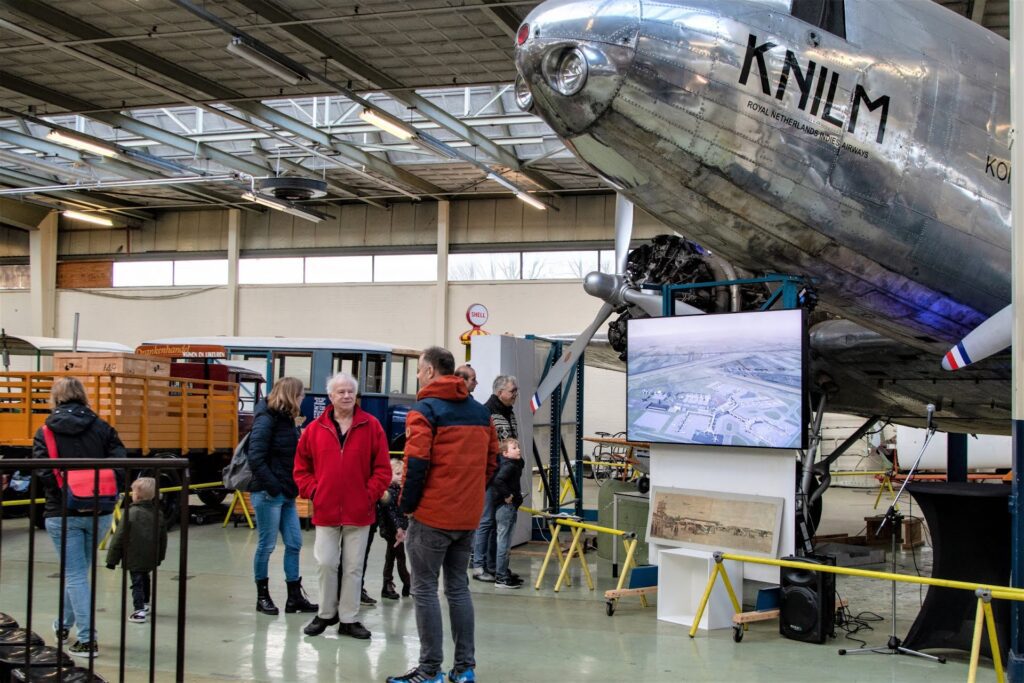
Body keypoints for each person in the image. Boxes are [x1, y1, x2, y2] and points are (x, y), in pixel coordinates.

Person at [387, 346, 498, 683]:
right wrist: (469, 494)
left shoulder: (424, 411)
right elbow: (492, 463)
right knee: (458, 589)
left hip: (431, 518)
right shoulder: (481, 414)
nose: (418, 375)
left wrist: (406, 507)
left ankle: (429, 669)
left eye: (420, 370)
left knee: (423, 589)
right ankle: (465, 669)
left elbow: (416, 464)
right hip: (467, 518)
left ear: (432, 371)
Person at [33, 376, 126, 659]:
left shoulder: (46, 431)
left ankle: (87, 639)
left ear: (56, 397)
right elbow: (121, 463)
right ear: (83, 396)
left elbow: (42, 469)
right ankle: (63, 625)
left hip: (62, 512)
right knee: (79, 573)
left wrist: (65, 489)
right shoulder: (102, 427)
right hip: (100, 511)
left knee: (75, 574)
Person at [294, 372, 391, 640]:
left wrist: (367, 495)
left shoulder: (371, 426)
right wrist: (315, 491)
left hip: (360, 513)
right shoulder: (315, 429)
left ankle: (349, 618)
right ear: (331, 397)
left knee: (353, 567)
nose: (346, 396)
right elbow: (301, 469)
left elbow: (382, 469)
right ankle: (326, 613)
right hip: (325, 512)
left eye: (350, 391)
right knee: (325, 563)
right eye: (341, 392)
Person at [247, 376, 317, 616]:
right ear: (290, 395)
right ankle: (262, 596)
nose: (303, 398)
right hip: (269, 493)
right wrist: (274, 486)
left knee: (295, 543)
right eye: (300, 395)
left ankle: (294, 597)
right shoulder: (266, 419)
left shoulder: (286, 420)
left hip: (286, 492)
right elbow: (255, 457)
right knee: (266, 545)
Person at [471, 374, 519, 582]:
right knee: (486, 521)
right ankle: (478, 565)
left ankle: (493, 565)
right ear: (500, 393)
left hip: (505, 474)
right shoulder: (486, 412)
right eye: (512, 391)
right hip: (492, 475)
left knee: (495, 522)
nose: (516, 394)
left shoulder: (510, 413)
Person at [105, 477, 167, 623]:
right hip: (151, 555)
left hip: (134, 555)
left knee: (136, 582)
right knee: (145, 578)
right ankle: (146, 603)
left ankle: (138, 610)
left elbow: (118, 538)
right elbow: (163, 538)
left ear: (137, 495)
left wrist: (111, 560)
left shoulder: (130, 513)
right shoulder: (158, 514)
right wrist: (160, 556)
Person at [491, 439, 525, 589]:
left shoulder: (514, 464)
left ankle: (503, 572)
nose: (518, 450)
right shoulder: (508, 466)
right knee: (504, 544)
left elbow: (521, 463)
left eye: (518, 447)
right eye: (514, 448)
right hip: (506, 508)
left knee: (505, 543)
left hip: (509, 508)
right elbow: (498, 481)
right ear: (505, 453)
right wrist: (507, 495)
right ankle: (501, 577)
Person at [377, 455, 410, 600]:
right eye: (397, 474)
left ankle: (387, 584)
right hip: (392, 531)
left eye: (402, 473)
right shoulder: (389, 493)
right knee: (400, 557)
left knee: (390, 557)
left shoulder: (399, 490)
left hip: (398, 530)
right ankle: (408, 583)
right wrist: (398, 529)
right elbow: (391, 514)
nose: (401, 476)